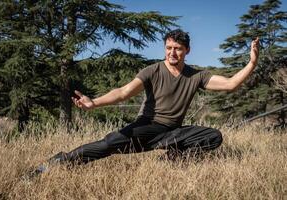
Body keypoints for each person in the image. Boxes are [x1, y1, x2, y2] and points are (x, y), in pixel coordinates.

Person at [34, 29, 259, 174]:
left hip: (173, 132)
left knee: (213, 136)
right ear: (165, 49)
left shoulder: (197, 76)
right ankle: (54, 165)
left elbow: (230, 85)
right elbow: (123, 92)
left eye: (178, 49)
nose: (173, 53)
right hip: (147, 127)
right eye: (169, 48)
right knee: (108, 145)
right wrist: (94, 103)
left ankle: (172, 157)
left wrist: (252, 63)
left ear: (187, 50)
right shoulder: (152, 71)